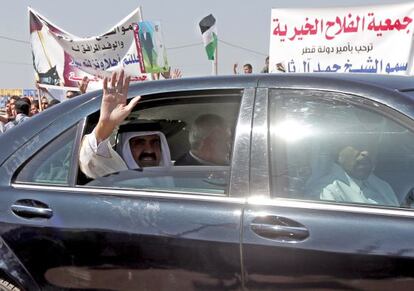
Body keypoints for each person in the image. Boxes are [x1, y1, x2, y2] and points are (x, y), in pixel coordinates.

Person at [79, 70, 171, 179]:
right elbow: (90, 157)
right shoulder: (115, 173)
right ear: (125, 146)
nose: (149, 150)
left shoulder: (178, 178)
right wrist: (107, 123)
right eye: (139, 142)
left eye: (155, 143)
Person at [314, 146, 399, 206]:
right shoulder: (328, 190)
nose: (366, 153)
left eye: (372, 145)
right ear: (339, 153)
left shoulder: (383, 186)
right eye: (359, 144)